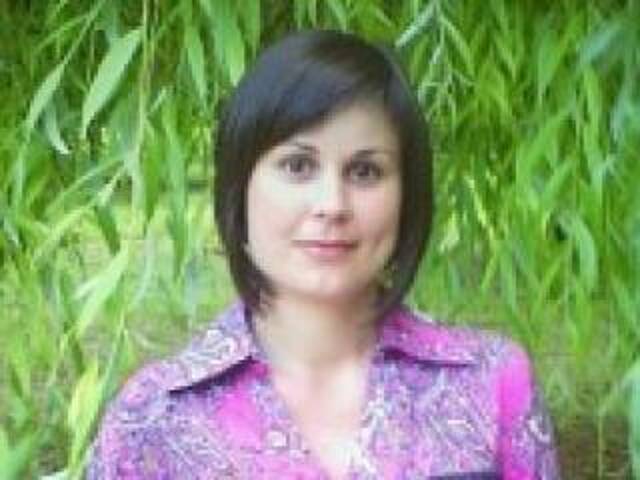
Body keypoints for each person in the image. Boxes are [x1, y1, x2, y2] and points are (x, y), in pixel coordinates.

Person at [87, 30, 559, 479]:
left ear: (407, 196)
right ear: (239, 189)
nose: (332, 205)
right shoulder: (153, 419)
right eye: (298, 166)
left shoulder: (491, 384)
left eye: (365, 172)